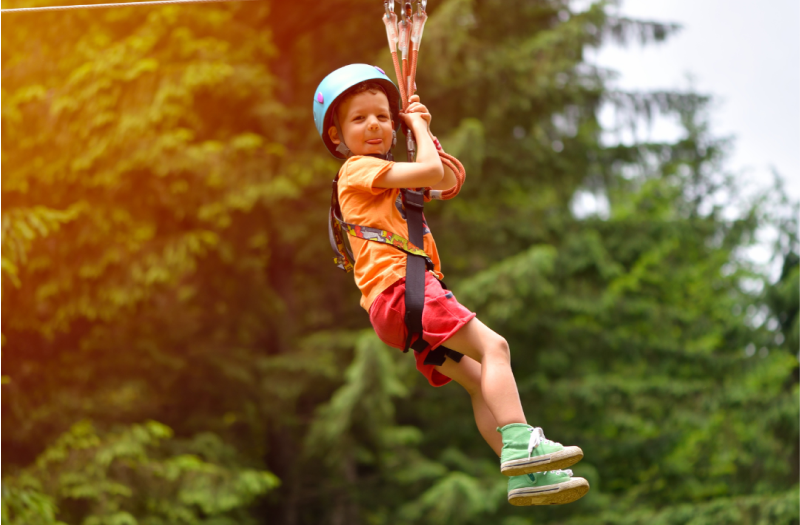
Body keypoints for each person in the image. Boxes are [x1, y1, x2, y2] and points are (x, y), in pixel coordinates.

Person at [313, 64, 590, 506]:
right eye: (360, 118)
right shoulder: (356, 171)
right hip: (403, 290)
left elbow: (443, 179)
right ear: (337, 136)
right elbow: (426, 172)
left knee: (481, 381)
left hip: (398, 304)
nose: (374, 126)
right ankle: (523, 444)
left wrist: (423, 131)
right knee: (495, 348)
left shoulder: (382, 181)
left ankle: (525, 476)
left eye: (384, 117)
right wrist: (419, 128)